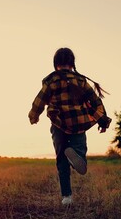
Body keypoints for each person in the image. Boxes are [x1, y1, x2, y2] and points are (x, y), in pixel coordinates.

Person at [28, 47, 112, 205]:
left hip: (59, 124)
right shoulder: (80, 81)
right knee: (80, 149)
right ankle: (77, 158)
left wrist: (34, 115)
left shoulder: (51, 81)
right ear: (72, 63)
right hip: (78, 123)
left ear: (55, 64)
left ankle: (67, 196)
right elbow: (95, 101)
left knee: (61, 159)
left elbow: (40, 100)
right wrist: (102, 120)